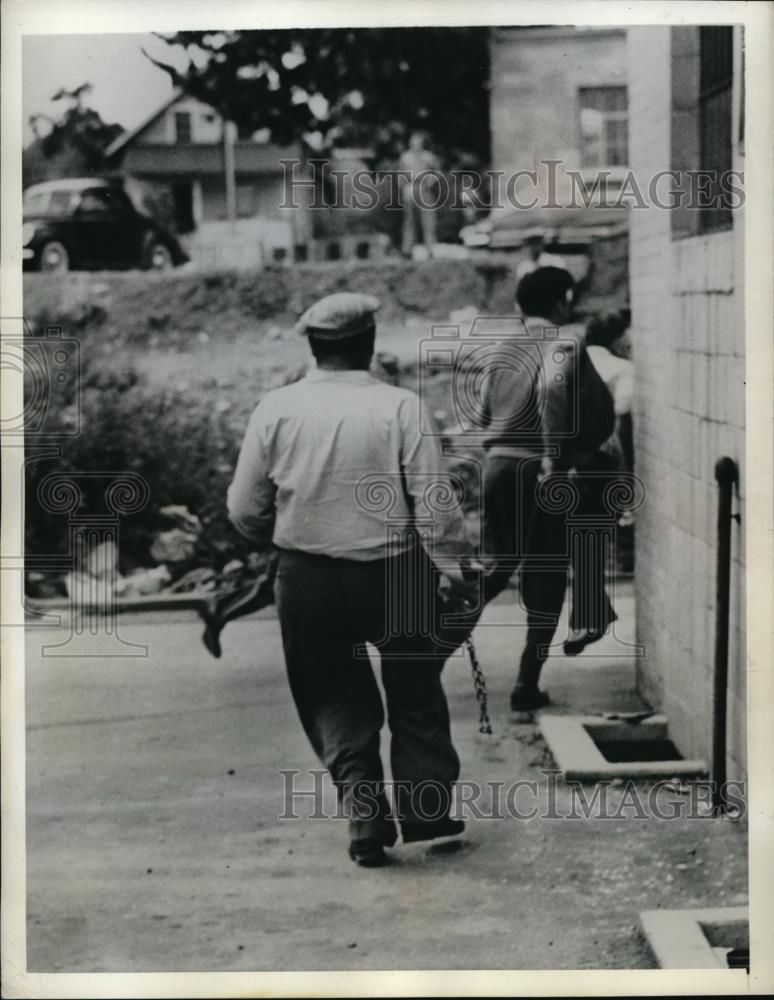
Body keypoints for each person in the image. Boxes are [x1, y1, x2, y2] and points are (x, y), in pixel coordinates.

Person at [227, 292, 476, 867]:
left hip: (309, 578)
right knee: (415, 693)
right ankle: (428, 811)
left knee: (333, 693)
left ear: (312, 346)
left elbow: (245, 508)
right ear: (369, 345)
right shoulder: (400, 408)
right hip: (397, 576)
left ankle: (365, 819)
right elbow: (434, 505)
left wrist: (280, 533)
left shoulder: (276, 408)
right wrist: (451, 570)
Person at [477, 267, 615, 711]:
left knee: (498, 565)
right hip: (540, 469)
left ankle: (431, 650)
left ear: (519, 307)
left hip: (498, 465)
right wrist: (554, 459)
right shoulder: (565, 341)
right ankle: (525, 683)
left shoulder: (500, 350)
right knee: (546, 576)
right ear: (563, 302)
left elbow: (483, 415)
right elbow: (554, 389)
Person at [399, 131, 441, 257]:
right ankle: (407, 249)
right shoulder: (405, 157)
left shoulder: (428, 157)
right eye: (413, 142)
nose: (415, 145)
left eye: (418, 142)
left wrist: (431, 181)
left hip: (424, 189)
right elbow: (400, 175)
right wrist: (404, 187)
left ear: (422, 144)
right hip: (411, 189)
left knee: (428, 220)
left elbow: (437, 172)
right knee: (409, 221)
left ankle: (430, 249)